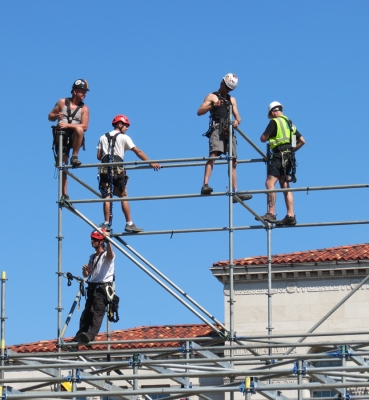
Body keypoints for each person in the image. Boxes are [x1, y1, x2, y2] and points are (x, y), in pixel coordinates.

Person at [97, 115, 161, 233]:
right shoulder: (124, 137)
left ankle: (106, 223)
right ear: (120, 125)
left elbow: (98, 156)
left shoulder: (102, 137)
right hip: (117, 167)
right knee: (123, 195)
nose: (127, 128)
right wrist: (151, 163)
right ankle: (129, 223)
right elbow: (138, 151)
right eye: (126, 126)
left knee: (107, 195)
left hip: (104, 169)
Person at [197, 73, 252, 203]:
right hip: (217, 128)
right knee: (213, 154)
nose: (227, 90)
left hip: (229, 129)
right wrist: (213, 105)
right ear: (222, 83)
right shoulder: (212, 96)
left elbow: (238, 116)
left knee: (233, 161)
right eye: (227, 87)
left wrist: (237, 121)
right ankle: (205, 184)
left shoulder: (231, 99)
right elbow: (199, 111)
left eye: (230, 89)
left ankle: (234, 191)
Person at [258, 101, 306, 225]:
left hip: (278, 156)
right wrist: (291, 150)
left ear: (273, 112)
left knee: (270, 183)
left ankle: (271, 213)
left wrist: (268, 136)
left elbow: (263, 139)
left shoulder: (274, 122)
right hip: (289, 157)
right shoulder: (290, 124)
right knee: (285, 185)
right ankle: (291, 215)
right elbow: (302, 141)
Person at [48, 79, 90, 198]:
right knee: (63, 164)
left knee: (79, 129)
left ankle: (75, 156)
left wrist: (68, 125)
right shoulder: (62, 102)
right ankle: (64, 193)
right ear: (75, 92)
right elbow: (50, 116)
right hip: (61, 136)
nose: (84, 95)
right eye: (82, 92)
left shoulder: (84, 108)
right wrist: (56, 116)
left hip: (74, 137)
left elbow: (85, 126)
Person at [73, 228, 113, 344]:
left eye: (95, 240)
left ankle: (90, 336)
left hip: (102, 289)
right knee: (86, 315)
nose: (92, 241)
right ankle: (80, 336)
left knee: (97, 314)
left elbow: (110, 254)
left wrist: (108, 240)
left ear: (101, 242)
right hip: (93, 288)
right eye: (92, 239)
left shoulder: (107, 255)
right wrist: (86, 271)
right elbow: (88, 274)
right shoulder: (92, 257)